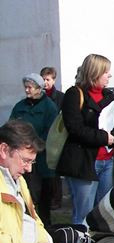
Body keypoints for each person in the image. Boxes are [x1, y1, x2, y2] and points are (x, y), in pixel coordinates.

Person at [57, 54, 114, 225]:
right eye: (106, 72)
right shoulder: (74, 94)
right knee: (84, 214)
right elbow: (75, 128)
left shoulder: (109, 95)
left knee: (106, 212)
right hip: (84, 163)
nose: (109, 76)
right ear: (95, 72)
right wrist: (105, 138)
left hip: (108, 161)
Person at [9, 73, 58, 229]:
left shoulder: (49, 107)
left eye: (30, 87)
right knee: (26, 191)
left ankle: (45, 225)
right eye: (26, 87)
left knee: (44, 193)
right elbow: (11, 126)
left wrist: (34, 148)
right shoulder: (20, 106)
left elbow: (51, 132)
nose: (27, 90)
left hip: (43, 157)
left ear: (39, 88)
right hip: (22, 156)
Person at [40, 66, 65, 210]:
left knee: (55, 169)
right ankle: (47, 197)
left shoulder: (60, 97)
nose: (45, 82)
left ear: (53, 80)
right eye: (43, 79)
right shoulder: (41, 97)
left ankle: (57, 198)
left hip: (56, 136)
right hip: (43, 136)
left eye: (48, 79)